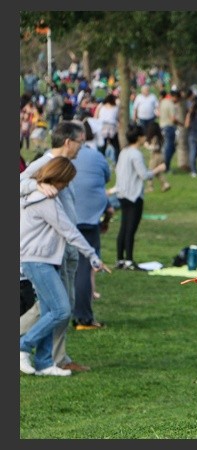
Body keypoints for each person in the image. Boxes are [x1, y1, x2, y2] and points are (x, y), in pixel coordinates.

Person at [21, 156, 112, 376]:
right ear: (59, 177)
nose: (68, 185)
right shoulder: (45, 200)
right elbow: (68, 230)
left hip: (44, 259)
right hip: (38, 260)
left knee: (48, 311)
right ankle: (22, 346)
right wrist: (93, 257)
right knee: (62, 310)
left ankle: (44, 363)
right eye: (67, 181)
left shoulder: (41, 196)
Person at [20, 120, 92, 373]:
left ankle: (53, 358)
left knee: (61, 305)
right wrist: (36, 185)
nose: (81, 148)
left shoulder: (65, 166)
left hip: (66, 244)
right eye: (80, 143)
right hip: (51, 248)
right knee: (55, 307)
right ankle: (46, 355)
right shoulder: (43, 164)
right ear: (68, 142)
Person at [71, 120, 113, 330]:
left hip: (66, 218)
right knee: (84, 269)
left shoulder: (59, 158)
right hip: (87, 220)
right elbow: (105, 178)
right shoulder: (97, 157)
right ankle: (83, 317)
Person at [110, 125, 167, 270]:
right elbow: (144, 174)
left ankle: (120, 259)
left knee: (124, 227)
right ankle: (129, 260)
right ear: (139, 138)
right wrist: (158, 169)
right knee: (131, 228)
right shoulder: (136, 154)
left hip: (122, 194)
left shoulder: (124, 152)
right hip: (134, 196)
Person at [143, 121, 171, 192]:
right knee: (157, 172)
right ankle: (165, 184)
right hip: (160, 155)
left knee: (150, 171)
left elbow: (156, 147)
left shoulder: (155, 138)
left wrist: (147, 146)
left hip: (156, 156)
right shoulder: (160, 137)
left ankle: (150, 187)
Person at [158, 88, 179, 173]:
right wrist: (180, 123)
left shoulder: (163, 102)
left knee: (167, 148)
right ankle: (166, 167)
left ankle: (165, 166)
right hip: (169, 127)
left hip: (162, 126)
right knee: (169, 148)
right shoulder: (171, 104)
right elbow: (173, 119)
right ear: (174, 96)